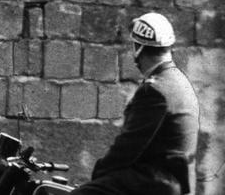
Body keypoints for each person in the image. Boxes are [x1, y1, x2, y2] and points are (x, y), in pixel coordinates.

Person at [72, 12, 199, 195]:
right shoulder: (179, 82)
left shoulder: (155, 90)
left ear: (138, 48)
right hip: (174, 183)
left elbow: (127, 148)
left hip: (154, 184)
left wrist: (98, 174)